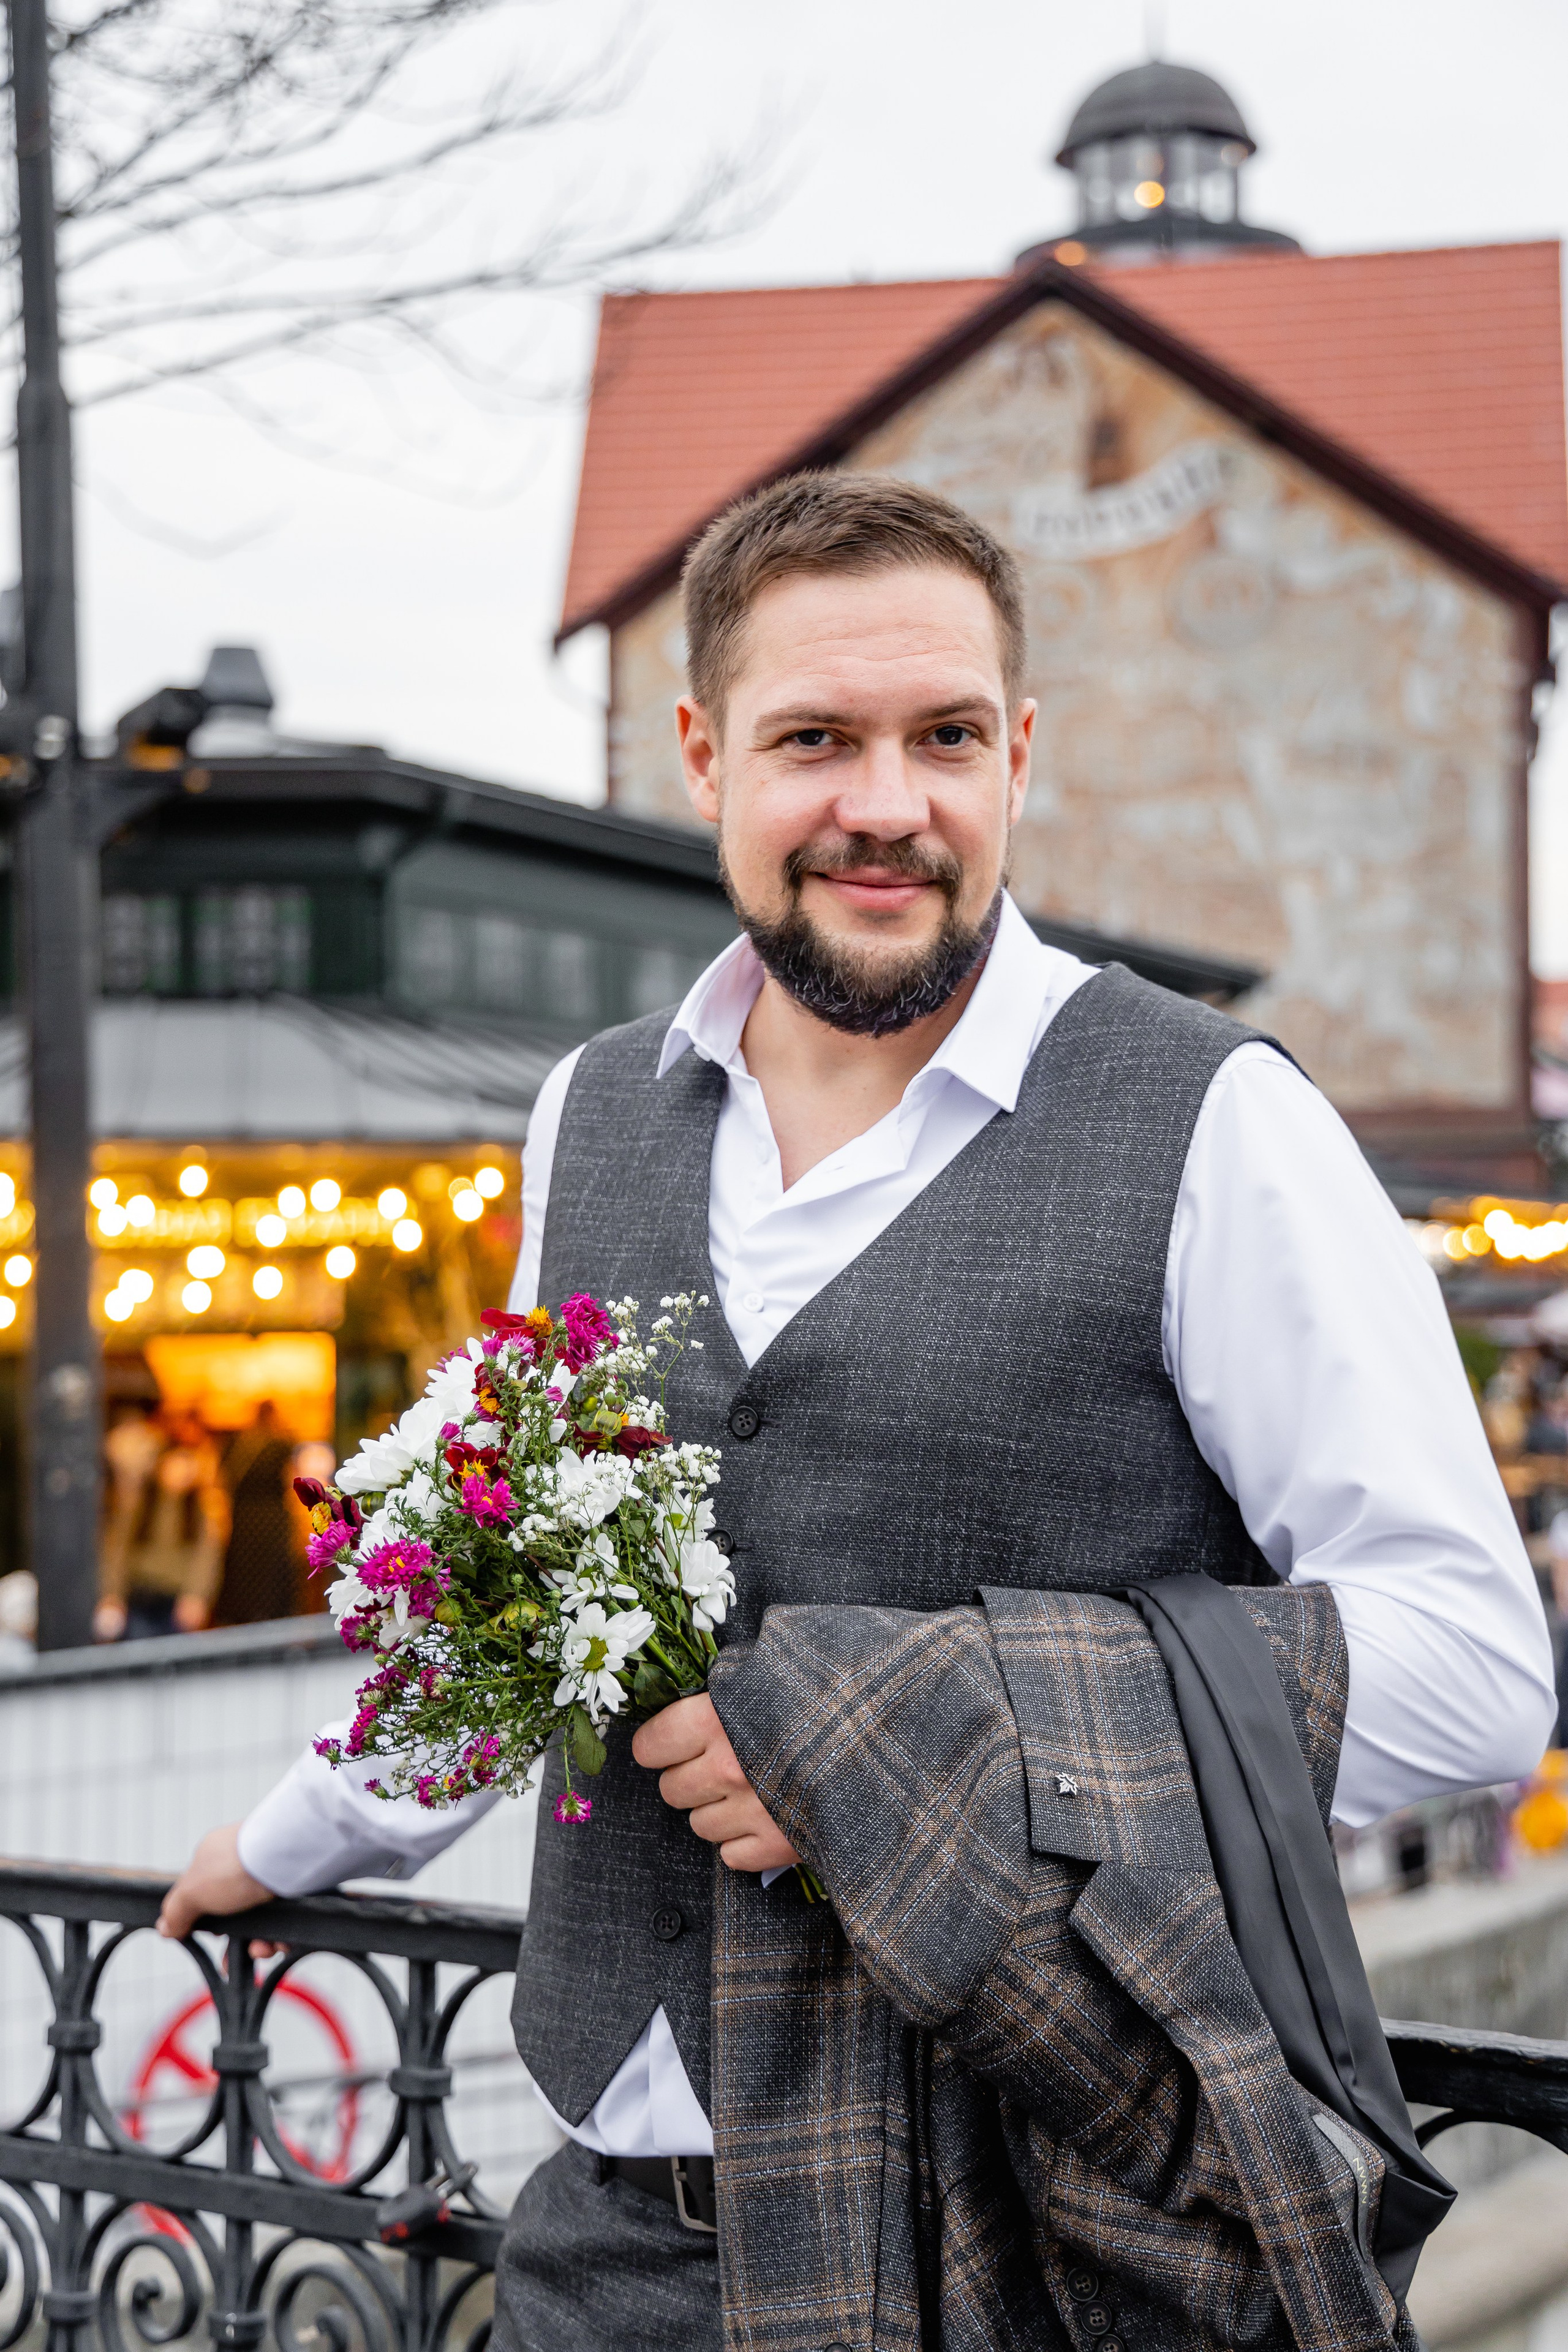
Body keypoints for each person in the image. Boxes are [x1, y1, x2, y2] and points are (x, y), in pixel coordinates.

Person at [159, 473, 1554, 2348]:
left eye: (946, 737)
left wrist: (912, 1728)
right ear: (700, 753)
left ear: (1019, 752)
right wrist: (307, 1827)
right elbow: (539, 1577)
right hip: (600, 2234)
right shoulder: (593, 1105)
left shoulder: (1218, 1120)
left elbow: (1473, 1667)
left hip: (1022, 2237)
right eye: (815, 737)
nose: (887, 805)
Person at [98, 1405, 228, 1642]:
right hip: (140, 1594)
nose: (181, 1471)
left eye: (188, 1463)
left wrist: (197, 1596)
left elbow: (206, 1555)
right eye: (176, 1462)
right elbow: (117, 1548)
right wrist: (111, 1594)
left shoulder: (200, 1507)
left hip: (176, 1598)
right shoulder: (140, 1502)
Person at [212, 1401, 300, 1626]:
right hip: (272, 1521)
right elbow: (292, 1482)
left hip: (243, 1521)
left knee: (244, 1579)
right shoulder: (281, 1445)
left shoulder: (235, 1444)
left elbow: (221, 1480)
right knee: (271, 1583)